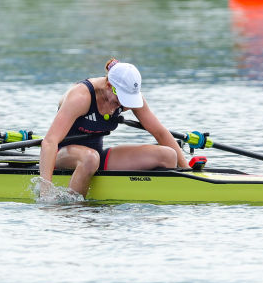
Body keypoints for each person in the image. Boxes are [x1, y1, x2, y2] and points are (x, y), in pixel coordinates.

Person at [38, 58, 189, 197]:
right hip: (62, 155)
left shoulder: (129, 95)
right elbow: (49, 142)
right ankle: (72, 209)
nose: (123, 106)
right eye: (121, 100)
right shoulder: (80, 97)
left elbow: (160, 132)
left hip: (96, 156)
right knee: (90, 158)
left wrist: (188, 170)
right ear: (110, 85)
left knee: (168, 156)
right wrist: (45, 191)